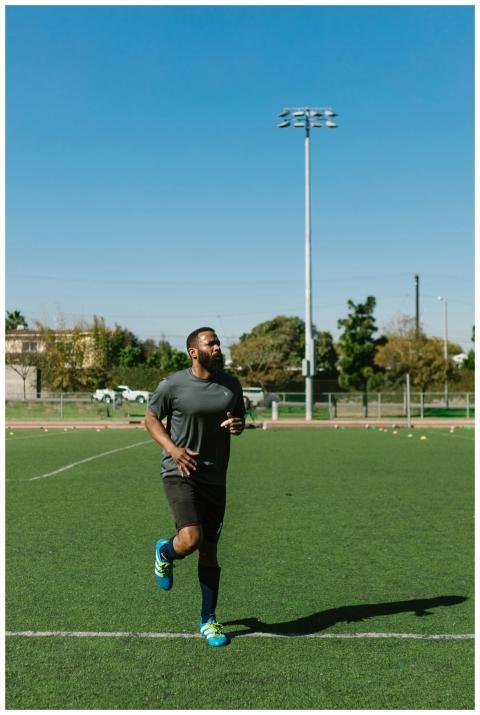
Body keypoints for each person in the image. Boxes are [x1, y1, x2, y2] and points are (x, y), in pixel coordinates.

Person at [145, 327, 245, 648]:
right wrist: (174, 450)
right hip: (180, 472)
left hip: (216, 477)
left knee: (209, 550)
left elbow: (239, 419)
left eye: (218, 342)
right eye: (210, 343)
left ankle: (208, 620)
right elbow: (150, 419)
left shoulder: (231, 384)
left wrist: (239, 425)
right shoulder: (173, 385)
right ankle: (165, 551)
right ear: (193, 351)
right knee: (191, 539)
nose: (217, 347)